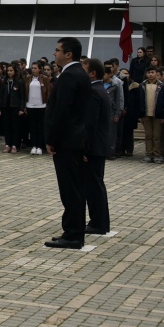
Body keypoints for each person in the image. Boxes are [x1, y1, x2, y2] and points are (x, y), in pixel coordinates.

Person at [45, 37, 92, 249]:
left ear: (69, 54)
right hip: (74, 139)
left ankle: (73, 235)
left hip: (67, 140)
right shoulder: (79, 74)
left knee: (70, 189)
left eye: (58, 50)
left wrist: (52, 140)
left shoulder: (70, 75)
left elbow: (61, 111)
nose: (55, 54)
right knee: (73, 188)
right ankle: (71, 230)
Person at [83, 58, 116, 235]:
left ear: (93, 73)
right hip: (98, 145)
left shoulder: (94, 92)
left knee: (94, 186)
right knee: (96, 185)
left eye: (84, 68)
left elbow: (91, 124)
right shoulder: (98, 89)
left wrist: (85, 149)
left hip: (94, 147)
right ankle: (99, 221)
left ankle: (98, 223)